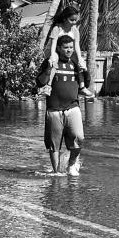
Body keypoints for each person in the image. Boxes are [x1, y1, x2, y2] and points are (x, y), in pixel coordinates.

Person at [36, 34, 90, 176]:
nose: (69, 50)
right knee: (54, 145)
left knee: (79, 137)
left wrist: (85, 70)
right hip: (54, 110)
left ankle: (72, 165)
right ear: (59, 48)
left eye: (71, 47)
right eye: (66, 48)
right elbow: (40, 82)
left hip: (73, 108)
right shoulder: (51, 62)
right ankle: (56, 172)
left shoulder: (74, 64)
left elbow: (86, 84)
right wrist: (48, 67)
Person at [43, 4, 94, 98]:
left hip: (68, 51)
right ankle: (48, 86)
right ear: (65, 18)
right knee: (54, 62)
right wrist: (52, 56)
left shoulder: (75, 31)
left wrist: (80, 59)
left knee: (80, 63)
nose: (74, 22)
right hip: (55, 50)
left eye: (75, 20)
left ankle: (82, 87)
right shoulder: (57, 28)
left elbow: (77, 46)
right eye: (72, 20)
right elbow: (53, 45)